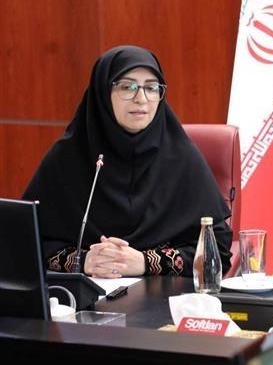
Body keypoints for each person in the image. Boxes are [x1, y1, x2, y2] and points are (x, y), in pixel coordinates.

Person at [23, 45, 233, 278]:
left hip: (163, 297)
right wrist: (82, 261)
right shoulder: (67, 158)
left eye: (151, 88)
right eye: (127, 87)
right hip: (84, 296)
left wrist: (145, 262)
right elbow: (25, 243)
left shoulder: (182, 159)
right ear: (103, 93)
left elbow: (217, 252)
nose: (141, 99)